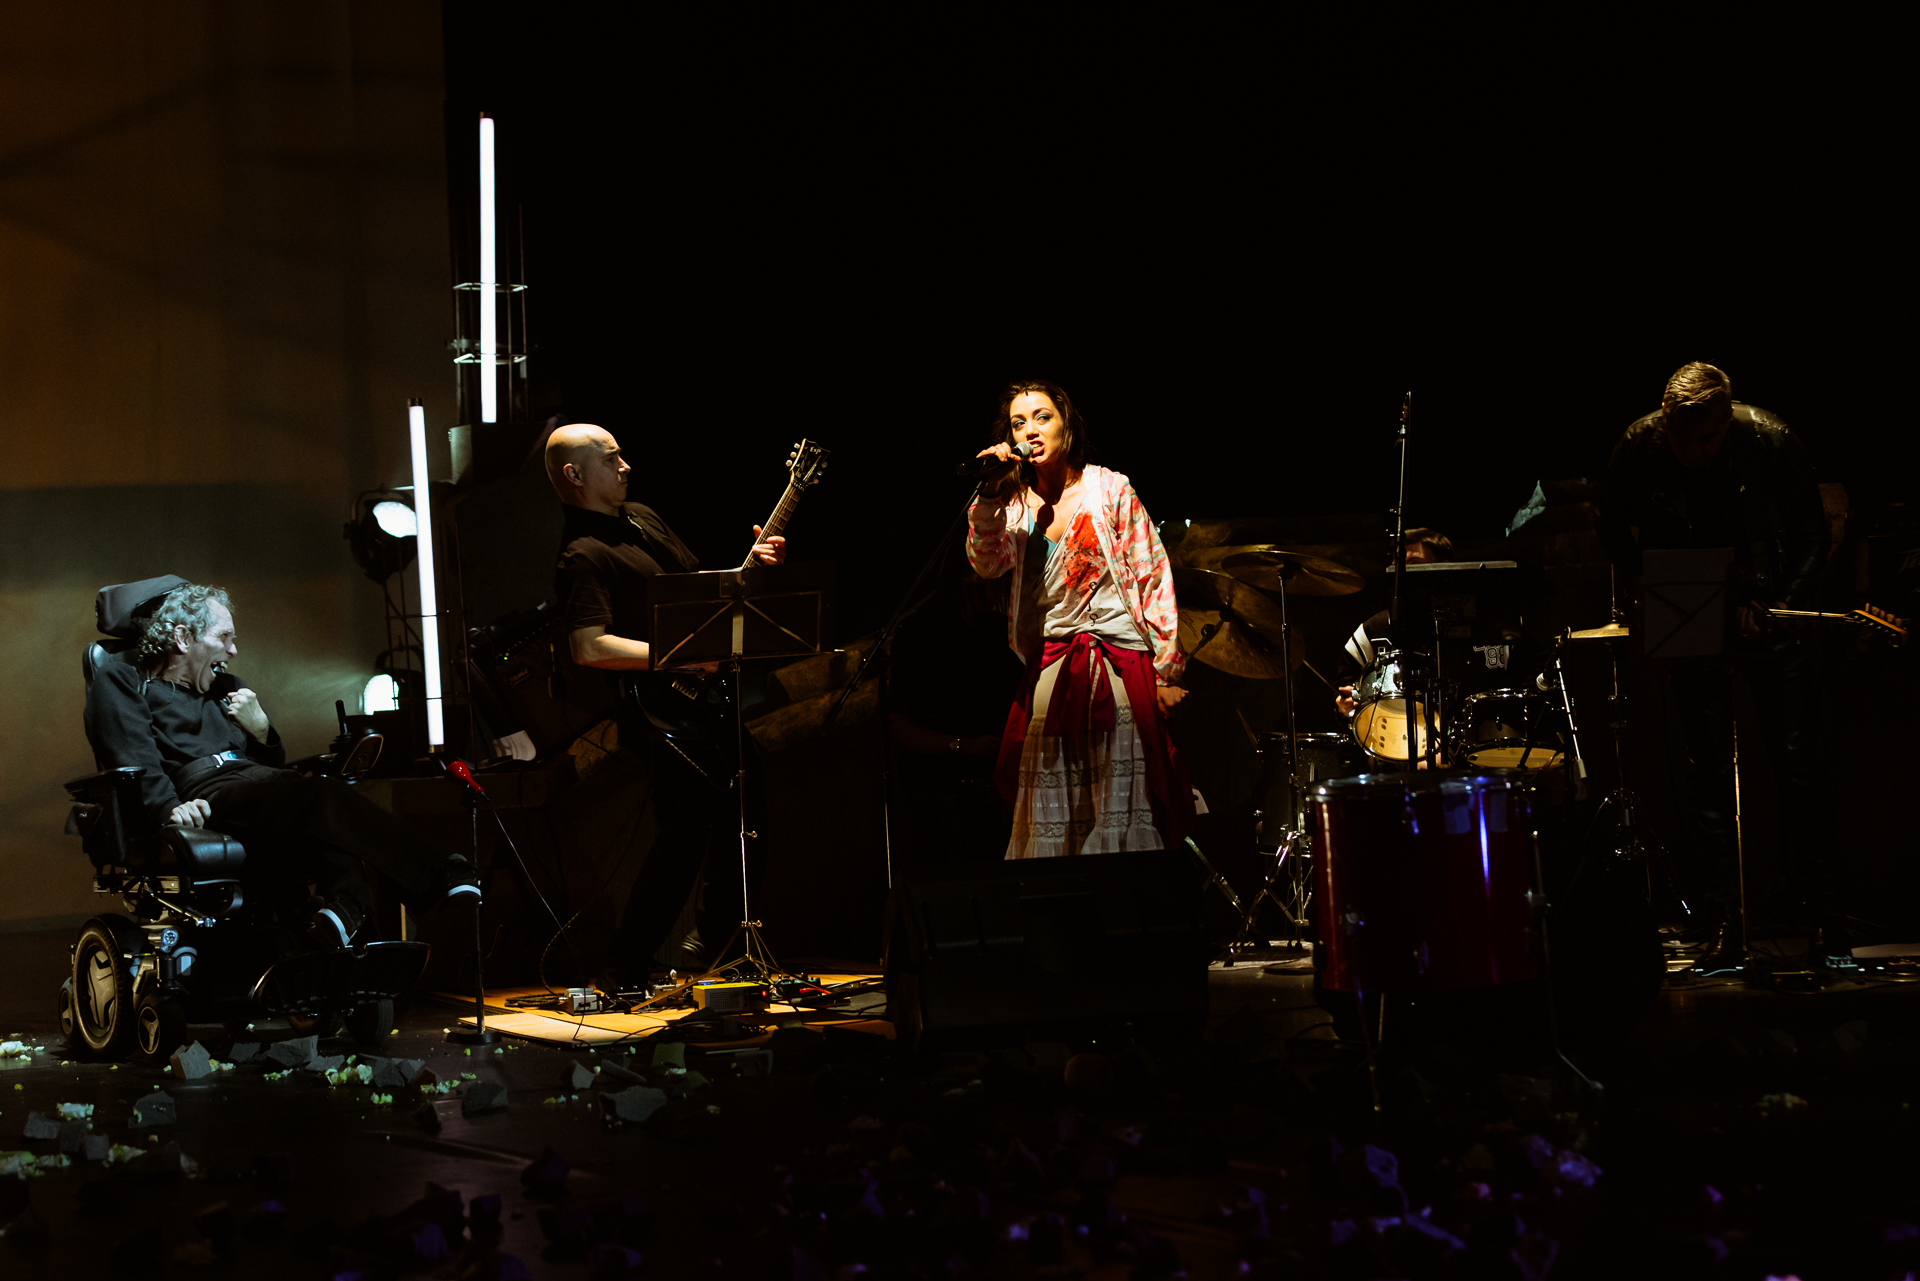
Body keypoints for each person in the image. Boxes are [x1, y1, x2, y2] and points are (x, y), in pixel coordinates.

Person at [1599, 360, 1842, 971]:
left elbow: (1813, 535)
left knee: (1798, 765)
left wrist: (1780, 607)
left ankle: (1823, 913)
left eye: (1707, 438)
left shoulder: (1772, 439)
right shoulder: (1639, 443)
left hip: (1767, 607)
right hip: (1689, 611)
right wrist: (1645, 586)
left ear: (1728, 417)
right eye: (1681, 437)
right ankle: (1722, 918)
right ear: (1664, 418)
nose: (1694, 451)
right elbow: (1610, 523)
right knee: (1705, 771)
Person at [84, 583, 479, 948]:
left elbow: (273, 762)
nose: (233, 651)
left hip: (258, 783)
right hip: (205, 790)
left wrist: (261, 728)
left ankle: (349, 915)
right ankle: (439, 873)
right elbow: (133, 756)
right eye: (224, 637)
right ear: (183, 638)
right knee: (320, 793)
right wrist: (167, 808)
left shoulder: (227, 687)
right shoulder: (124, 681)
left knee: (320, 805)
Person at [545, 421, 786, 982]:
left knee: (745, 808)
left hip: (700, 698)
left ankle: (721, 944)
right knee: (686, 830)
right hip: (656, 712)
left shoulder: (642, 518)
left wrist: (749, 567)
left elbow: (694, 588)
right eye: (611, 459)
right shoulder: (582, 555)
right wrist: (675, 657)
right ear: (574, 475)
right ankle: (625, 964)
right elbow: (588, 645)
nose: (625, 466)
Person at [966, 379, 1193, 859]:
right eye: (1018, 423)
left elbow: (1152, 573)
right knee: (1051, 805)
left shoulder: (1109, 489)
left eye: (1042, 417)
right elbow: (986, 563)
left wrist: (1167, 670)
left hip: (1117, 661)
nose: (1030, 430)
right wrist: (988, 492)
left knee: (1120, 799)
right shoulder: (1013, 505)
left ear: (1065, 425)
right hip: (1053, 663)